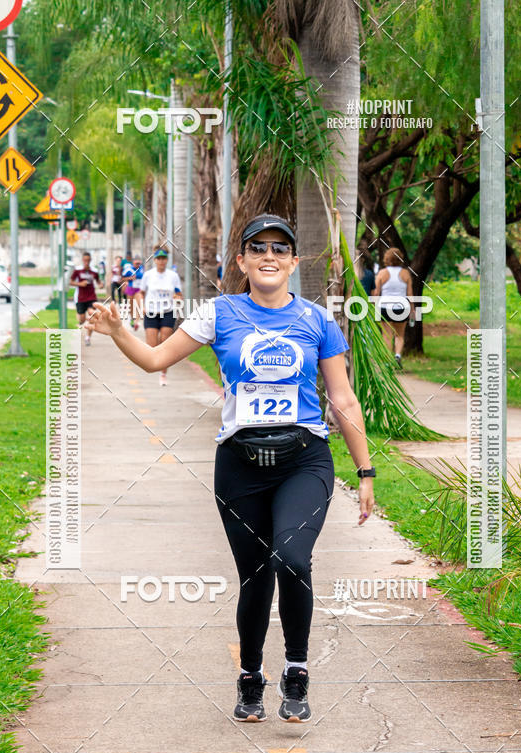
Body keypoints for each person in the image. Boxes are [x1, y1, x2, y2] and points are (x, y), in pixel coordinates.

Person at [85, 213, 375, 724]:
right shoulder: (219, 313)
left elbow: (342, 397)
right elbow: (156, 360)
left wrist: (365, 471)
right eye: (258, 248)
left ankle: (297, 669)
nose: (269, 256)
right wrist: (115, 329)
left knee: (292, 558)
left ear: (293, 262)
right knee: (255, 576)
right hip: (239, 466)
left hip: (304, 459)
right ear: (240, 261)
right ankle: (250, 678)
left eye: (279, 249)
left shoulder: (316, 320)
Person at [138, 248, 182, 386]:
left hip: (167, 311)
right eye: (159, 258)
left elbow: (179, 293)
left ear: (166, 260)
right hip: (151, 312)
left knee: (164, 343)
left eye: (164, 258)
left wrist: (177, 297)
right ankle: (156, 365)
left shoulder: (173, 276)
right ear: (155, 260)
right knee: (151, 346)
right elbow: (141, 293)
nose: (161, 261)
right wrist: (142, 306)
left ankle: (163, 373)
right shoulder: (148, 275)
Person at [371, 246, 415, 369]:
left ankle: (387, 361)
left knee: (387, 335)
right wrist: (412, 309)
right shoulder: (405, 273)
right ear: (400, 258)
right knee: (399, 335)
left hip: (385, 307)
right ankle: (397, 356)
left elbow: (376, 293)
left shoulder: (382, 273)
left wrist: (374, 307)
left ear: (387, 259)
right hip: (402, 307)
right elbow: (409, 294)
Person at [70, 251, 101, 346]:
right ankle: (80, 320)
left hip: (91, 297)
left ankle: (88, 337)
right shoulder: (77, 270)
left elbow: (98, 281)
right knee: (82, 320)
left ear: (90, 260)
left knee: (92, 316)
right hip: (80, 297)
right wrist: (80, 284)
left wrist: (100, 284)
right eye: (85, 260)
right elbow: (70, 282)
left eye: (88, 260)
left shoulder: (94, 271)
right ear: (82, 260)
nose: (86, 262)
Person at [120, 252, 137, 328]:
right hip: (130, 286)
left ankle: (135, 319)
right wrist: (129, 279)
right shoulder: (126, 268)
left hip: (138, 289)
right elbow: (122, 278)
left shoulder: (140, 269)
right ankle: (132, 318)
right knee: (131, 303)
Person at [130, 254, 145, 331]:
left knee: (139, 305)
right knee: (131, 306)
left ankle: (136, 322)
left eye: (139, 263)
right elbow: (125, 276)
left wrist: (137, 276)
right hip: (131, 288)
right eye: (136, 263)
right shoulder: (130, 268)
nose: (138, 265)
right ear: (133, 263)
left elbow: (143, 275)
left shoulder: (142, 268)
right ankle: (132, 318)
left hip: (139, 289)